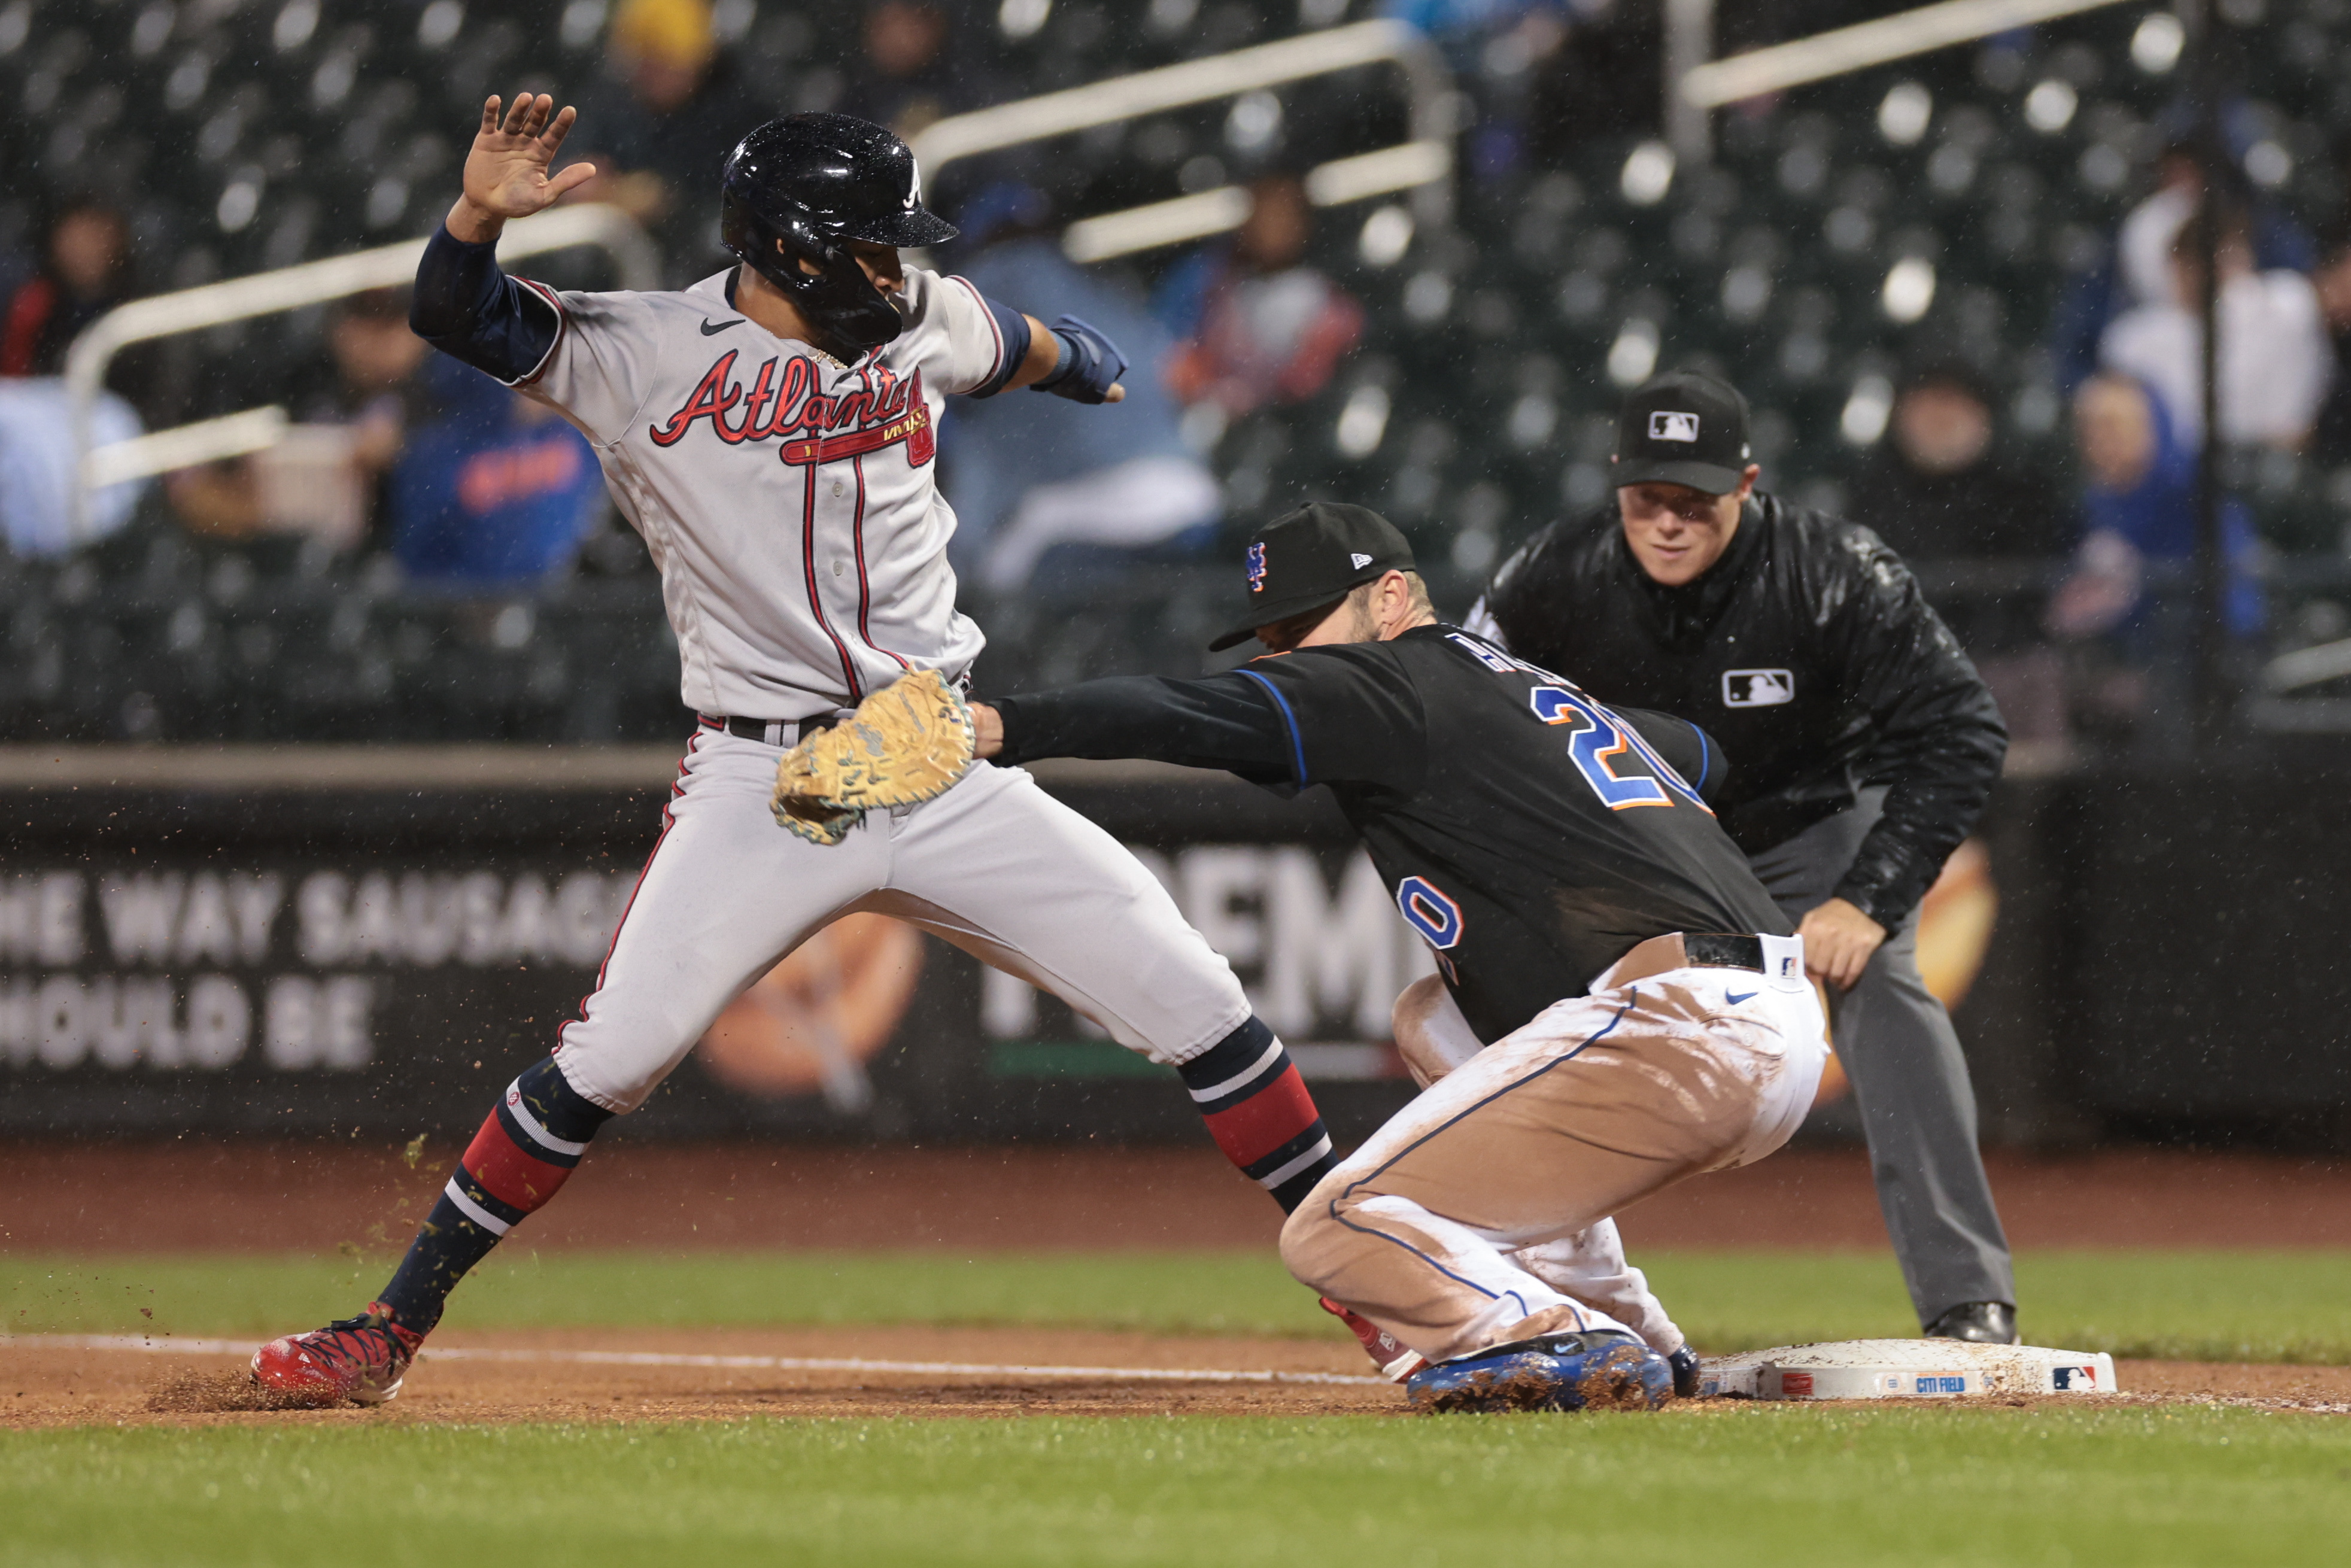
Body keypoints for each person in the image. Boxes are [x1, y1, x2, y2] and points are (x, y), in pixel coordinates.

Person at [247, 100, 1345, 1406]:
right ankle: (385, 1328)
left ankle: (1395, 1296)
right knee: (608, 1056)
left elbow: (1041, 348)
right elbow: (459, 317)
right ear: (795, 246)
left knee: (1202, 1002)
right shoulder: (644, 350)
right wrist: (477, 215)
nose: (896, 269)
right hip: (763, 782)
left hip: (940, 758)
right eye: (872, 248)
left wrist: (1089, 364)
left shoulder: (924, 311)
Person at [973, 502, 1828, 1411]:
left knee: (1333, 1232)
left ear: (1390, 598)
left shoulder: (1394, 680)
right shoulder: (1513, 688)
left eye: (1304, 628)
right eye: (1270, 637)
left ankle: (1550, 1335)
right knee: (1433, 1013)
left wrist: (993, 726)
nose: (1287, 657)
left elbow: (1181, 711)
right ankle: (1624, 1327)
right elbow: (1702, 754)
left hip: (1679, 1029)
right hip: (1768, 1022)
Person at [1470, 370, 2019, 1345]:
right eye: (1649, 499)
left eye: (1695, 501)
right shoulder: (1549, 577)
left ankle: (1967, 1298)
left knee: (1885, 987)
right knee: (1477, 989)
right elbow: (1466, 719)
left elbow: (1962, 730)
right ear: (1615, 486)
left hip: (1795, 833)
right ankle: (1493, 1290)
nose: (1669, 523)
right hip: (1632, 853)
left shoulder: (1833, 570)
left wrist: (1870, 898)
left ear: (1748, 484)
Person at [943, 187, 1220, 592]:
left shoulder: (999, 282)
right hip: (1186, 494)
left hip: (1083, 507)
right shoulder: (1097, 292)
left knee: (991, 583)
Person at [1845, 363, 2065, 746]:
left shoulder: (2024, 492)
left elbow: (2039, 603)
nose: (1940, 418)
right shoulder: (1871, 498)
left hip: (2009, 669)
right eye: (1927, 404)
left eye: (1954, 404)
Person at [2098, 205, 2334, 452]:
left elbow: (2295, 425)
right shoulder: (2134, 338)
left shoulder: (2288, 304)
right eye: (2188, 264)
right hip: (2176, 469)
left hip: (2270, 463)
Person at [1156, 174, 1364, 417]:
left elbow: (1308, 387)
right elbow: (1174, 360)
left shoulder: (1334, 311)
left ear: (1304, 224)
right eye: (1263, 215)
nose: (1271, 227)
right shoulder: (1209, 281)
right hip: (1209, 416)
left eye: (1283, 216)